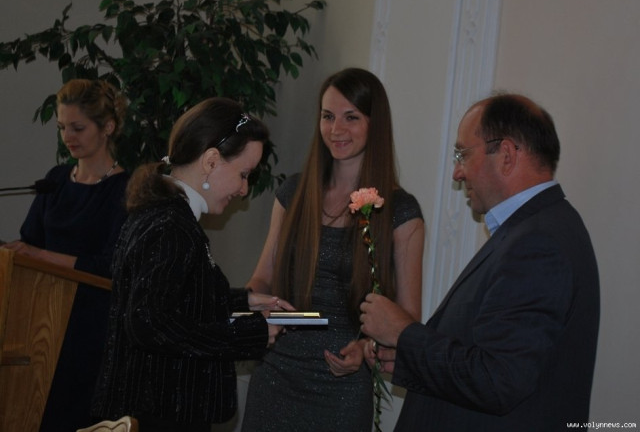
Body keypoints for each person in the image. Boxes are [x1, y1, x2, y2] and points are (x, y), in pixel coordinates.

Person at [360, 93, 600, 431]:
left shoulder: (538, 242)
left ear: (506, 155)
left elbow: (497, 380)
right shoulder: (533, 229)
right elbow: (488, 359)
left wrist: (404, 333)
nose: (457, 172)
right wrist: (411, 357)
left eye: (462, 154)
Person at [90, 97, 290, 432]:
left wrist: (241, 302)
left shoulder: (166, 215)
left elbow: (177, 299)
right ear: (211, 161)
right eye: (243, 174)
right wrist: (247, 334)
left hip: (157, 409)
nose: (243, 189)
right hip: (160, 415)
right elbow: (149, 323)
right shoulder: (171, 226)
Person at [241, 68, 425, 431]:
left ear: (375, 124)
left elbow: (406, 321)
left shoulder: (401, 211)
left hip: (343, 389)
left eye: (350, 117)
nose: (336, 129)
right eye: (327, 117)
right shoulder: (293, 193)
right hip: (276, 374)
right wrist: (251, 307)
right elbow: (262, 277)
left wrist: (366, 349)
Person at [1, 78, 130, 432]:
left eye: (77, 127)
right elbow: (29, 245)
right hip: (40, 320)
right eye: (61, 128)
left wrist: (40, 255)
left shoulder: (124, 190)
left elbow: (110, 267)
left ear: (107, 127)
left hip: (89, 328)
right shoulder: (56, 179)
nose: (67, 137)